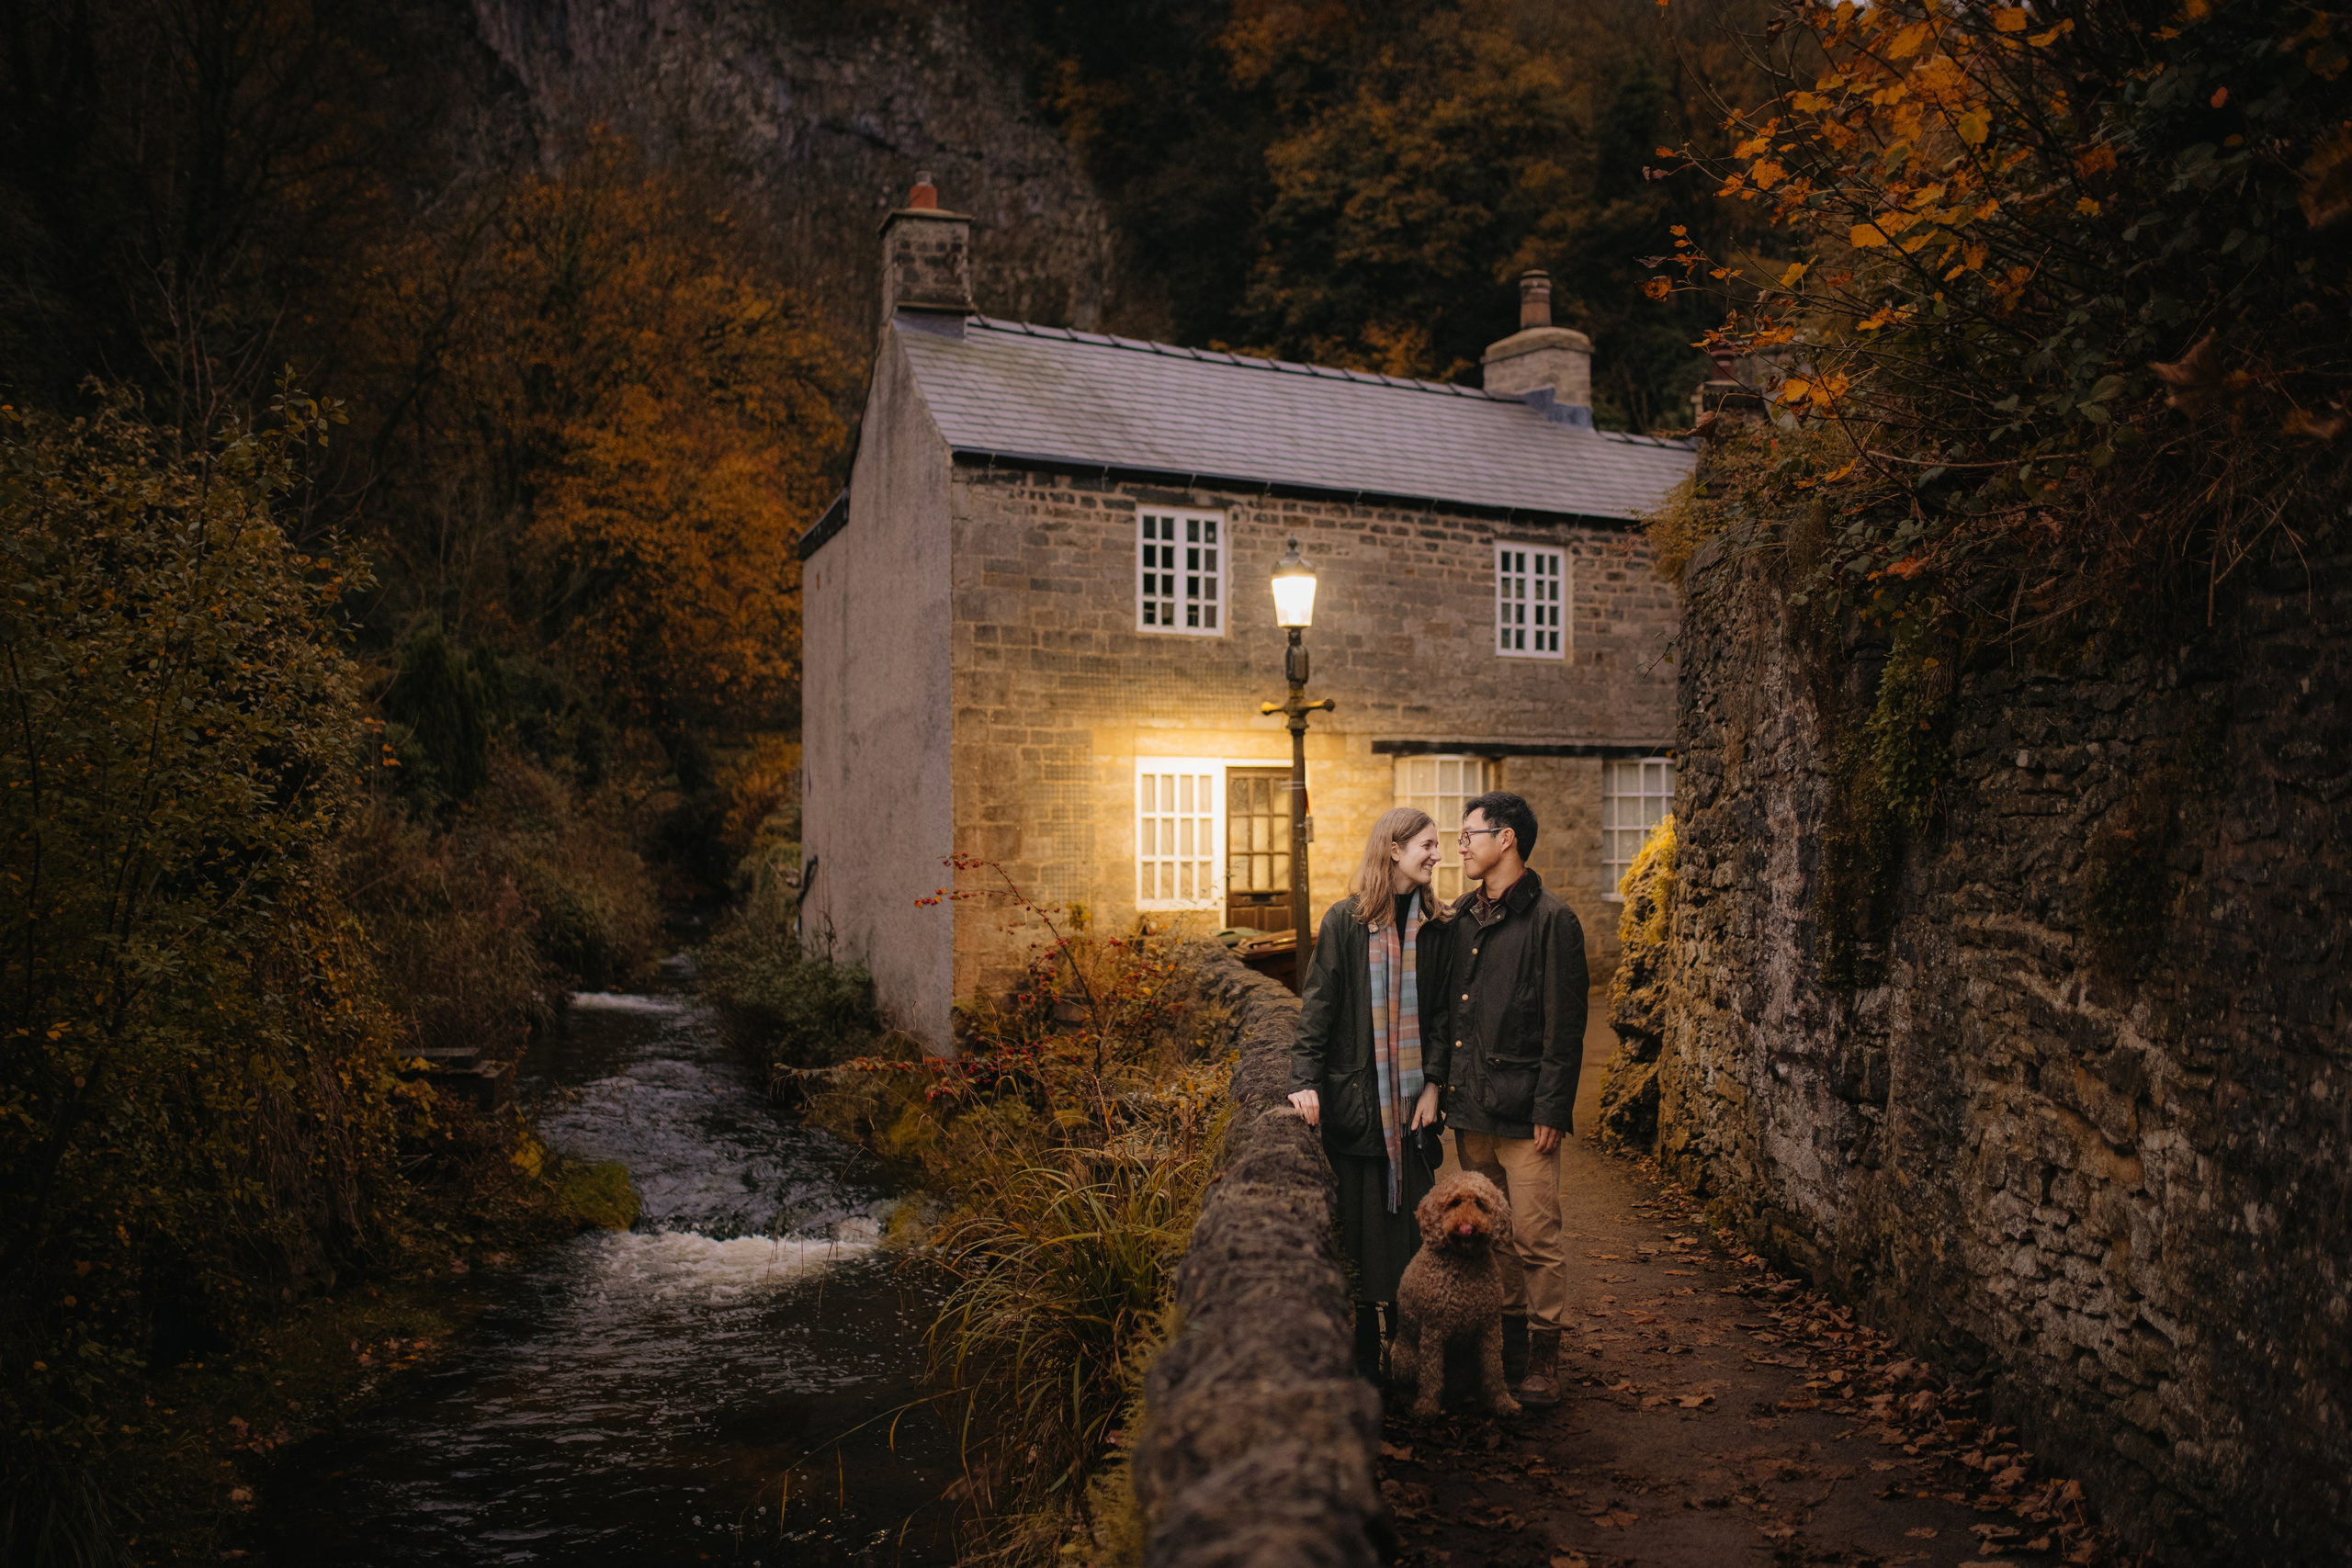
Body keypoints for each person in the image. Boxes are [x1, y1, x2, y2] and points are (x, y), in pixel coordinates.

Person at [1419, 791, 1587, 1409]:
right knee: (1489, 1237)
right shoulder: (1461, 916)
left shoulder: (1553, 920)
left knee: (1536, 1237)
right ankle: (1508, 1349)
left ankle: (1544, 1356)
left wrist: (1550, 1106)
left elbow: (1563, 1025)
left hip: (1525, 1113)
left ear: (1507, 838)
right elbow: (1447, 1012)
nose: (1459, 845)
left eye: (1469, 834)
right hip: (1471, 1110)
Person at [1287, 807, 1453, 1376]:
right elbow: (1319, 1009)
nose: (1437, 854)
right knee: (1357, 1239)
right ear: (1393, 850)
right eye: (1427, 845)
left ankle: (1409, 1354)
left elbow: (1440, 1018)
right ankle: (1362, 1350)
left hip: (1411, 1115)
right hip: (1358, 1110)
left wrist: (1434, 1083)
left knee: (1411, 1236)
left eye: (1438, 845)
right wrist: (1304, 1082)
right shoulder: (1344, 923)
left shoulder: (1437, 928)